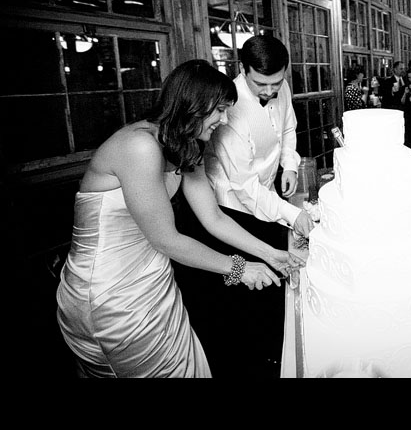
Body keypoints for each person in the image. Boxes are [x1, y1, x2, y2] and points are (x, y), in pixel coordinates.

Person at [56, 60, 304, 378]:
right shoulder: (139, 146)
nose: (225, 120)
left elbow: (213, 217)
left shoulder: (186, 145)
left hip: (156, 284)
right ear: (193, 104)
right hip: (111, 294)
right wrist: (240, 268)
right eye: (220, 110)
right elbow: (166, 239)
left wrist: (273, 255)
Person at [188, 34, 315, 378]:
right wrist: (294, 214)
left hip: (270, 190)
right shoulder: (228, 109)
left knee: (273, 277)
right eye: (262, 84)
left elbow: (289, 128)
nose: (271, 91)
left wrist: (289, 164)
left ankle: (277, 353)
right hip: (231, 208)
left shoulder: (279, 86)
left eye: (278, 82)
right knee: (247, 287)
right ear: (243, 70)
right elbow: (244, 189)